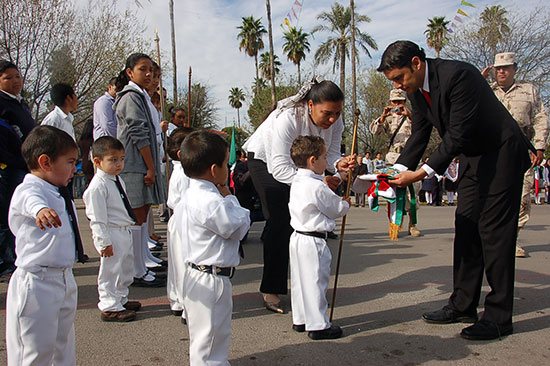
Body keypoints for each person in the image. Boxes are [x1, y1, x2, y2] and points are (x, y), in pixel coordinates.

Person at [378, 40, 534, 340]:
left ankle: (499, 317)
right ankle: (463, 305)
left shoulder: (459, 76)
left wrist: (421, 174)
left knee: (494, 232)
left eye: (400, 78)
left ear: (416, 63)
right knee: (466, 226)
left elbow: (457, 134)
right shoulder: (418, 93)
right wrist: (394, 172)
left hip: (501, 153)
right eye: (393, 81)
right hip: (474, 158)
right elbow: (420, 134)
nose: (398, 86)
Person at [243, 78, 355, 313]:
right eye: (327, 113)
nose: (332, 119)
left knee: (302, 217)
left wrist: (340, 165)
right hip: (266, 161)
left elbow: (332, 154)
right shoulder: (288, 118)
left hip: (302, 168)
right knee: (280, 218)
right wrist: (316, 181)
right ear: (311, 105)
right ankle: (271, 288)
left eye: (337, 113)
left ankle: (306, 284)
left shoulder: (335, 119)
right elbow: (280, 168)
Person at [6, 125, 85, 365]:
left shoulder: (56, 190)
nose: (74, 169)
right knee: (34, 350)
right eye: (70, 162)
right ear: (45, 162)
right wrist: (40, 210)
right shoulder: (29, 189)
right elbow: (31, 200)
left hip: (63, 278)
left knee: (63, 346)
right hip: (37, 282)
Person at [174, 130, 250, 365]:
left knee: (207, 335)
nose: (228, 169)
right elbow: (238, 227)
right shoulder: (211, 201)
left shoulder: (191, 194)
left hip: (198, 273)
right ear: (215, 169)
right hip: (211, 277)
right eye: (226, 164)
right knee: (211, 337)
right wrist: (231, 199)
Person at [482, 52, 549, 257]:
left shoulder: (529, 91)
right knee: (491, 199)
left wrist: (539, 146)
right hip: (492, 151)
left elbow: (540, 118)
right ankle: (494, 240)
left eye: (506, 67)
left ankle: (513, 239)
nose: (501, 71)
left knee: (522, 199)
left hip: (521, 151)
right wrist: (480, 81)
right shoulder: (486, 91)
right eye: (497, 68)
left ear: (515, 68)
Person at [288, 135, 350, 340]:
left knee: (300, 281)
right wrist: (345, 203)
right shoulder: (316, 186)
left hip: (298, 237)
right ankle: (318, 325)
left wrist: (340, 176)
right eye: (324, 157)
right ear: (313, 160)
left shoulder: (299, 179)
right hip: (313, 240)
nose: (326, 162)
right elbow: (335, 208)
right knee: (315, 281)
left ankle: (301, 319)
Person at [114, 53, 165, 287]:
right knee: (135, 217)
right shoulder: (130, 97)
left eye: (150, 71)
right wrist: (151, 167)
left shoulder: (142, 96)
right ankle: (136, 270)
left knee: (143, 215)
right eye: (142, 69)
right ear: (129, 73)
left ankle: (142, 262)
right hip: (136, 166)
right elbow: (138, 133)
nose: (147, 74)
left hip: (144, 165)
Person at [83, 136, 142, 322]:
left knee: (125, 268)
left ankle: (120, 298)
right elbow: (97, 219)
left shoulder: (117, 180)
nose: (119, 164)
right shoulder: (97, 187)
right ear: (97, 161)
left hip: (124, 230)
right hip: (112, 232)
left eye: (122, 159)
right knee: (111, 271)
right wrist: (103, 242)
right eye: (113, 160)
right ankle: (109, 305)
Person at [0, 60, 35, 278]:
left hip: (26, 166)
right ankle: (6, 262)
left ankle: (20, 256)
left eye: (17, 76)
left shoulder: (20, 103)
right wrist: (13, 161)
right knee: (7, 215)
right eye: (8, 78)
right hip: (9, 168)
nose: (15, 81)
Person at [370, 88, 421, 236]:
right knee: (394, 194)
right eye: (394, 102)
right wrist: (383, 116)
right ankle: (396, 224)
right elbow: (375, 131)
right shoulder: (387, 118)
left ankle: (413, 224)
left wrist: (409, 116)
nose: (397, 104)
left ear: (405, 102)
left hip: (411, 157)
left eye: (400, 101)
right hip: (393, 159)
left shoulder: (412, 116)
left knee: (413, 193)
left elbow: (422, 130)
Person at [165, 126, 194, 320]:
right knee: (183, 263)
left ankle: (176, 299)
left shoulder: (182, 171)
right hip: (184, 220)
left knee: (176, 263)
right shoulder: (184, 173)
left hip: (179, 220)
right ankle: (186, 304)